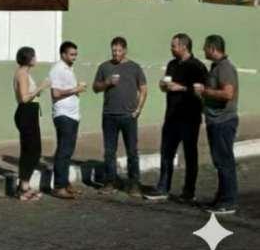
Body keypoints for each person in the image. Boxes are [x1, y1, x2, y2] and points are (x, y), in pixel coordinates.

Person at [145, 33, 208, 203]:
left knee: (190, 155)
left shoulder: (197, 67)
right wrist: (164, 86)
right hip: (171, 116)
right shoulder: (172, 64)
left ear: (183, 47)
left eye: (174, 46)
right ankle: (163, 187)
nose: (171, 48)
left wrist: (180, 88)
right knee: (166, 153)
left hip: (189, 117)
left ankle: (189, 192)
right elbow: (168, 85)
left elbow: (203, 91)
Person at [93, 36, 147, 196]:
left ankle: (134, 184)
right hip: (109, 115)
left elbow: (143, 89)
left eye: (119, 50)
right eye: (113, 50)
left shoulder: (134, 67)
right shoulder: (104, 67)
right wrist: (107, 83)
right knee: (109, 152)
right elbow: (95, 88)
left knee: (132, 151)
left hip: (128, 116)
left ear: (125, 50)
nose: (116, 53)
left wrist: (138, 110)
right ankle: (110, 182)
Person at [195, 34, 239, 214]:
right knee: (220, 161)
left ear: (213, 48)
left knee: (224, 162)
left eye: (205, 47)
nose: (203, 50)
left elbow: (228, 94)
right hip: (215, 121)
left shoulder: (225, 68)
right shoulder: (216, 67)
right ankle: (221, 199)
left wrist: (205, 91)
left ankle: (228, 202)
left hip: (223, 121)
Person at [49, 41, 87, 199]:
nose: (74, 57)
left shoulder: (68, 69)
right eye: (71, 54)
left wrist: (76, 88)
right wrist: (76, 89)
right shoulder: (58, 69)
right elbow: (55, 93)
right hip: (63, 115)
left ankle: (65, 183)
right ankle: (59, 186)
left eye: (75, 54)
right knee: (64, 151)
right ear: (63, 54)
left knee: (68, 151)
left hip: (72, 115)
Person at [13, 46, 50, 201]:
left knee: (30, 150)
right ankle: (23, 188)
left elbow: (29, 94)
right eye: (34, 56)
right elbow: (24, 98)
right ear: (28, 58)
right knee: (32, 151)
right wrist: (41, 87)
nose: (36, 58)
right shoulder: (22, 74)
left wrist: (38, 90)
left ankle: (24, 186)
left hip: (30, 113)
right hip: (26, 113)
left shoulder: (25, 73)